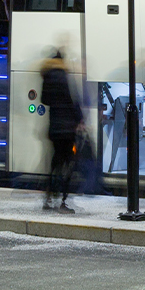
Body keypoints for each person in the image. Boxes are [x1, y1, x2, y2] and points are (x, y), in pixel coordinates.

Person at [41, 49, 83, 213]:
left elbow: (44, 100)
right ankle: (63, 202)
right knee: (69, 165)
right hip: (67, 129)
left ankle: (48, 198)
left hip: (54, 128)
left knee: (55, 164)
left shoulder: (47, 77)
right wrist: (80, 119)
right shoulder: (65, 76)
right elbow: (73, 100)